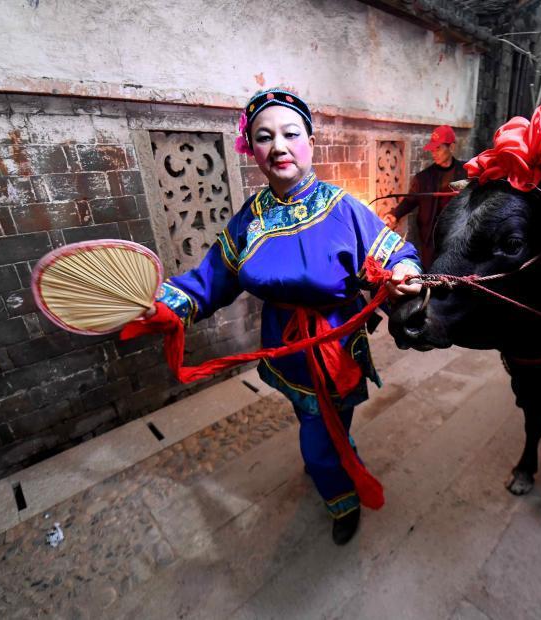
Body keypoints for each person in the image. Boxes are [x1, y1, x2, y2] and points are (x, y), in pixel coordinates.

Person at [145, 88, 422, 545]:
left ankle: (341, 496)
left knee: (320, 441)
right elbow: (209, 281)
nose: (278, 146)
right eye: (264, 137)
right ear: (251, 149)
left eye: (291, 133)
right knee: (314, 422)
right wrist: (158, 304)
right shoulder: (248, 219)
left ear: (310, 141)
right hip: (287, 350)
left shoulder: (343, 207)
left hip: (335, 348)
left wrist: (405, 273)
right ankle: (337, 459)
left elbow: (395, 254)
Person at [383, 125, 467, 269]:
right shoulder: (424, 178)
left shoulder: (466, 173)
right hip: (431, 240)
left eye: (438, 148)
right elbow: (410, 201)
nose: (434, 153)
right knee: (431, 273)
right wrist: (394, 215)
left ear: (451, 147)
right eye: (433, 149)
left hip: (457, 236)